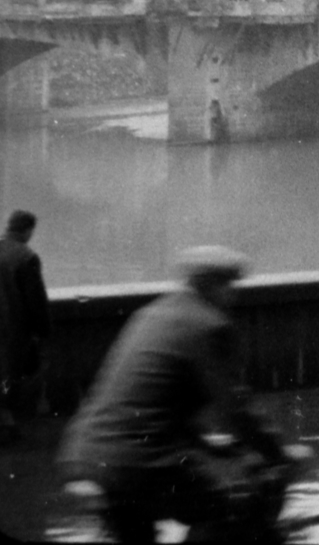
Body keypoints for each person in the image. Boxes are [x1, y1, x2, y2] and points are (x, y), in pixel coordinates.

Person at [59, 246, 294, 543]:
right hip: (139, 463)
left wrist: (205, 441)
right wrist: (280, 455)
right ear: (213, 285)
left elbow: (152, 399)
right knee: (239, 500)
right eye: (230, 285)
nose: (233, 295)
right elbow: (235, 409)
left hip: (87, 454)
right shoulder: (210, 326)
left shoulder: (150, 314)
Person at [0, 210, 51, 439]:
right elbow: (35, 301)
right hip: (13, 331)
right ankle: (7, 425)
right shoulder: (26, 257)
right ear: (28, 230)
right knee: (11, 376)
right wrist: (43, 331)